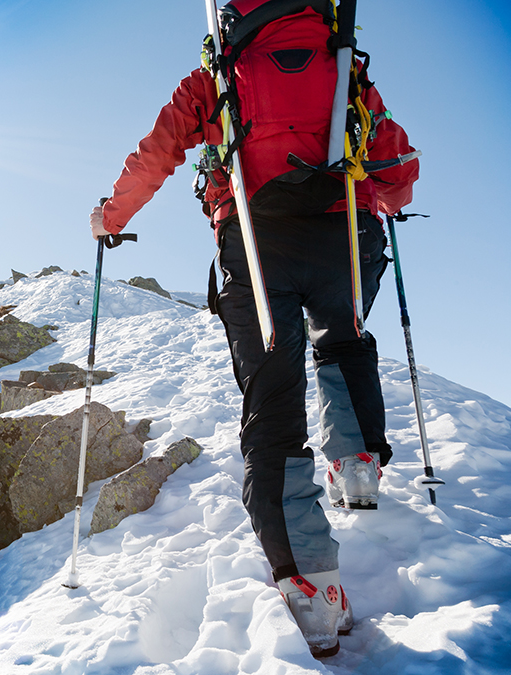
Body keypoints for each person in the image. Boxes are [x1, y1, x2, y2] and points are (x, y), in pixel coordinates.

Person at [89, 1, 418, 658]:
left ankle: (313, 588)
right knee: (344, 340)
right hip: (345, 232)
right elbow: (393, 160)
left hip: (257, 237)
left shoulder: (216, 72)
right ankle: (356, 469)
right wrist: (389, 198)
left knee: (274, 402)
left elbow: (160, 148)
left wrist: (110, 216)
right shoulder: (341, 58)